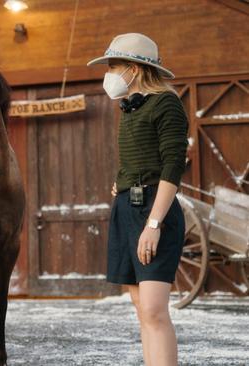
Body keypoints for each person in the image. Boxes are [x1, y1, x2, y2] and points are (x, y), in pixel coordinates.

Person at [88, 33, 188, 366]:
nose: (109, 73)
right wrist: (123, 184)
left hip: (153, 211)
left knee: (154, 310)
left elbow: (172, 165)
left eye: (113, 65)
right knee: (140, 310)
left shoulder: (166, 103)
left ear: (133, 68)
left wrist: (154, 224)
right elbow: (139, 161)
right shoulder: (130, 107)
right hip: (126, 210)